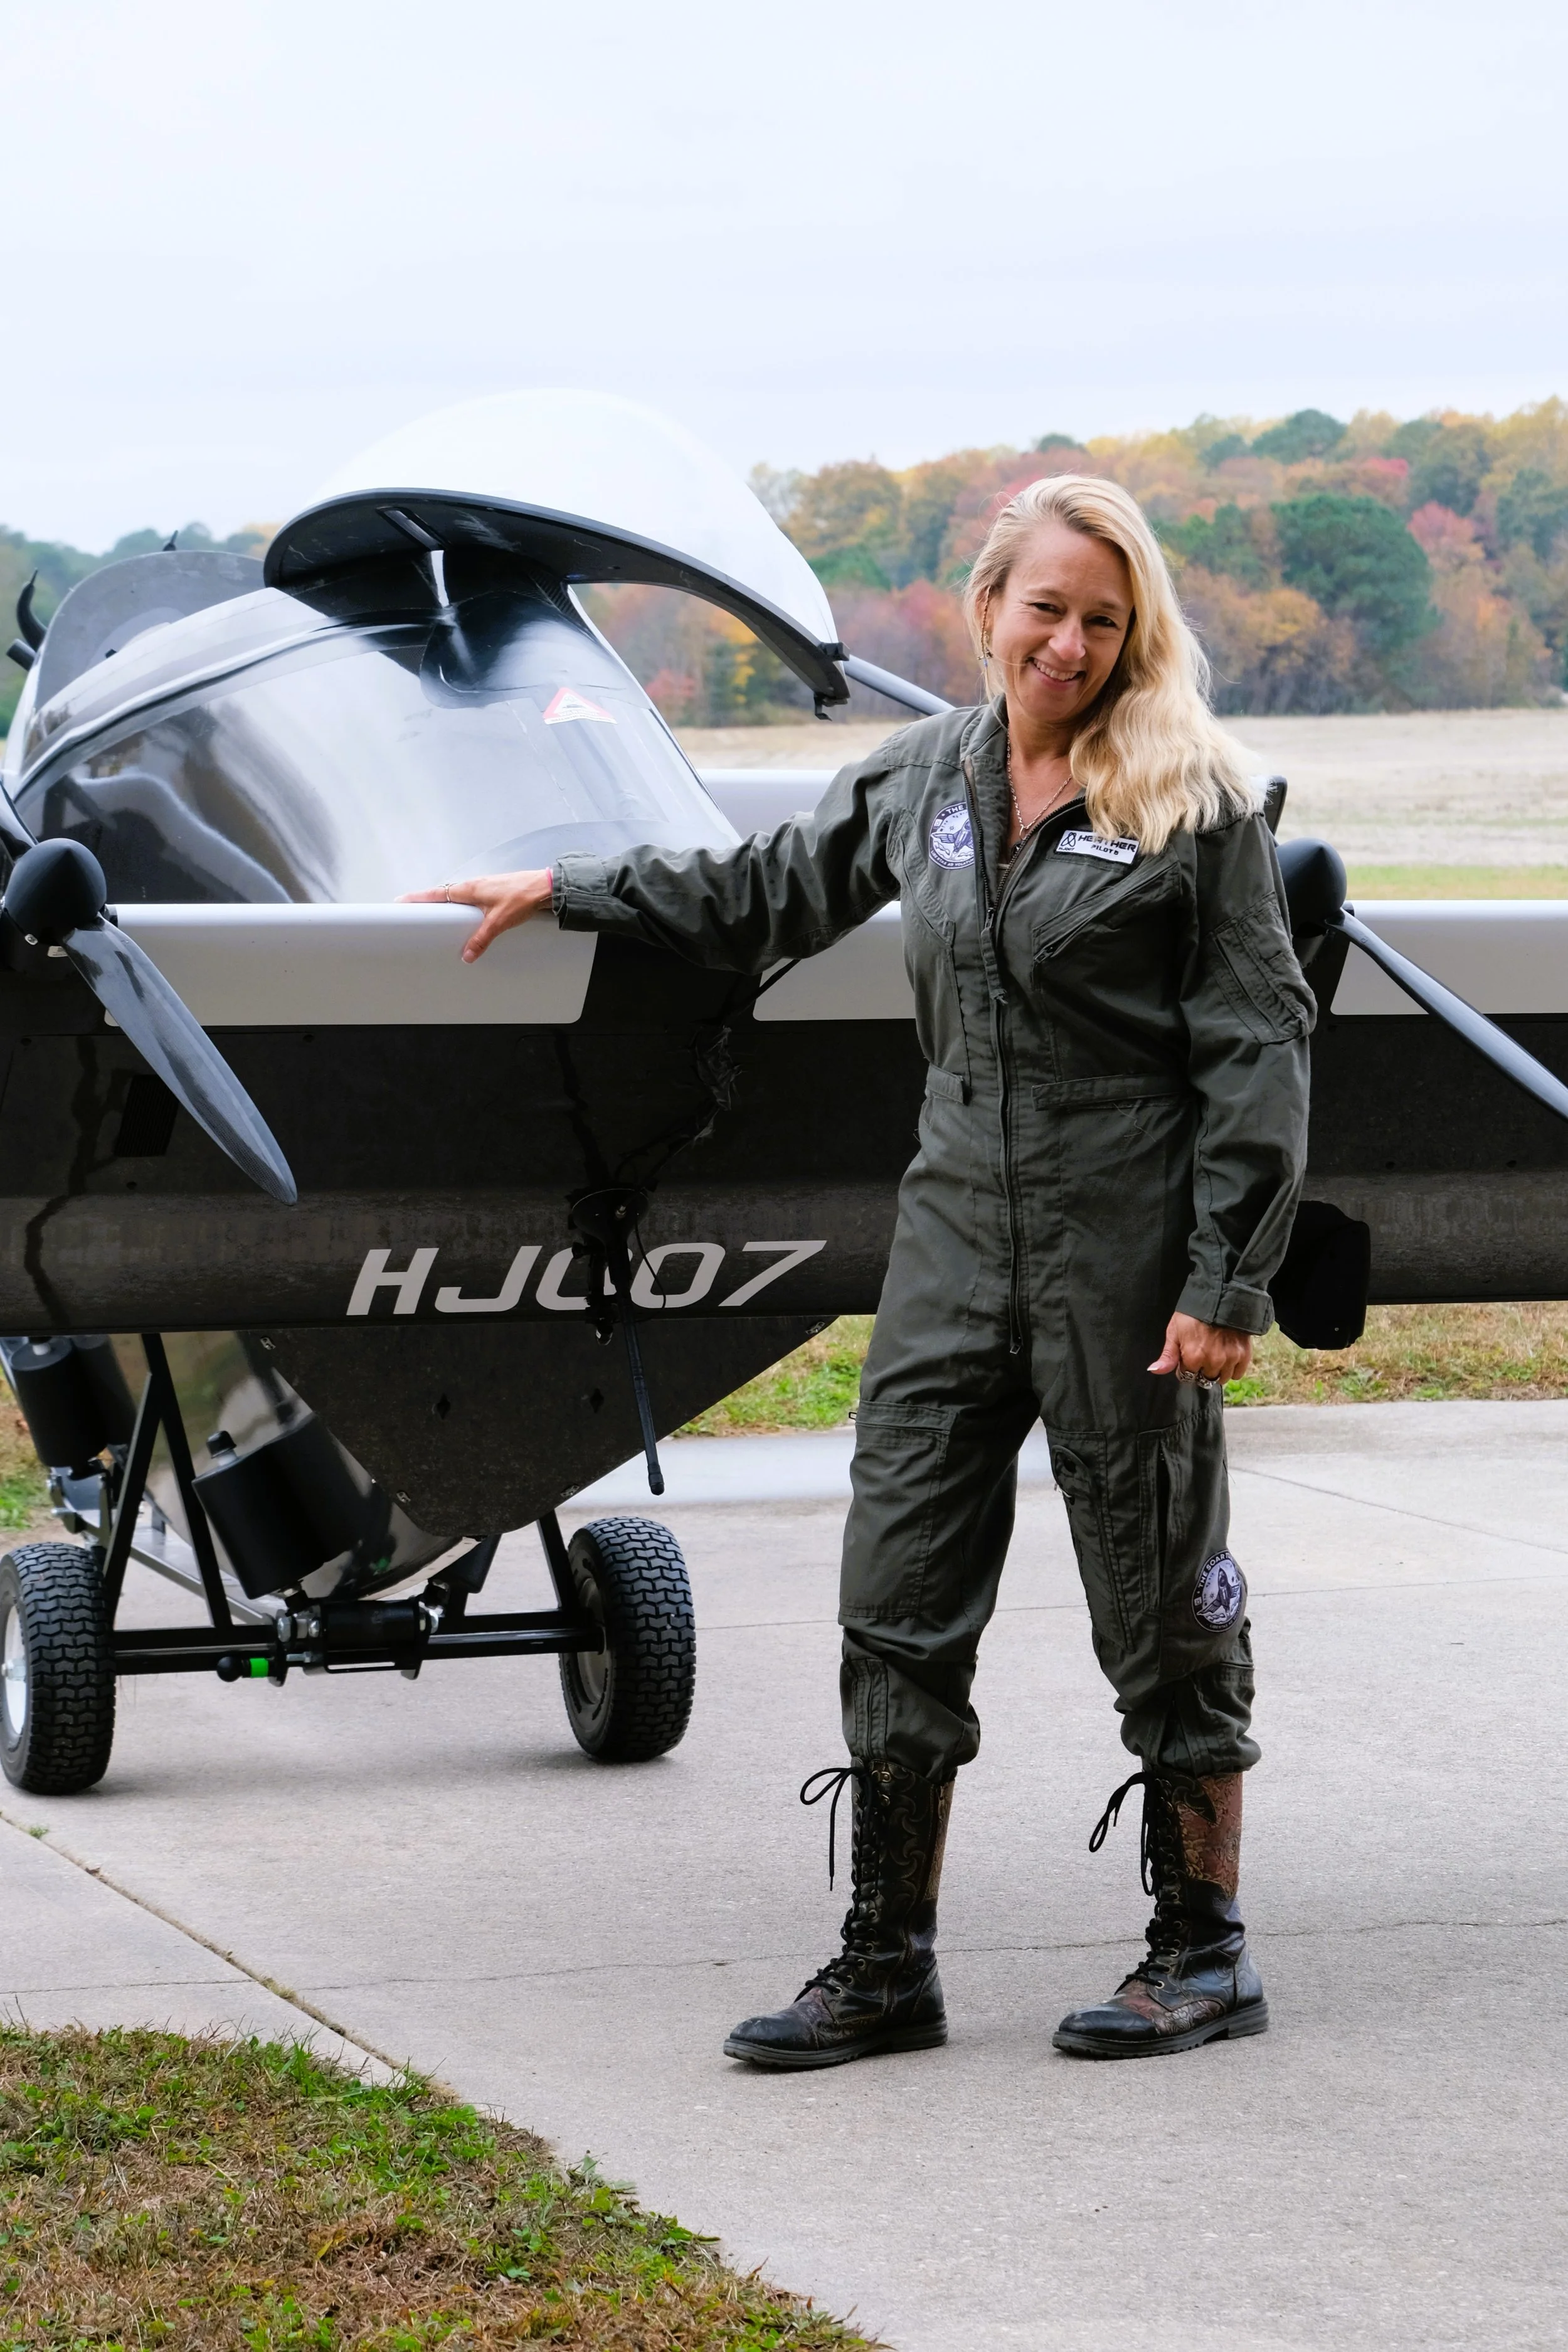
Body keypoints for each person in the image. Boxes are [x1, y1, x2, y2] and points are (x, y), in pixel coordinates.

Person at [406, 475, 1313, 2068]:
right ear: (986, 609)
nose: (1070, 643)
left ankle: (1203, 1949)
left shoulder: (1194, 801)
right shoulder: (924, 780)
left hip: (1121, 1234)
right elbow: (760, 896)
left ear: (1133, 633)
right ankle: (883, 1959)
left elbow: (1259, 1044)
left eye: (1103, 619)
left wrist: (1225, 1279)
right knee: (893, 1585)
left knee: (1160, 1589)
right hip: (954, 1223)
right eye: (1045, 609)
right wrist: (570, 886)